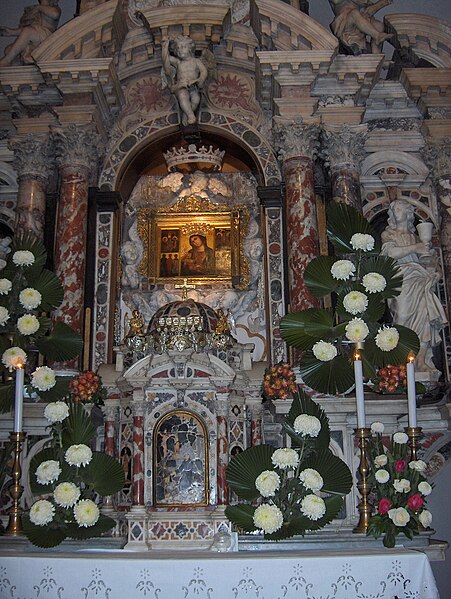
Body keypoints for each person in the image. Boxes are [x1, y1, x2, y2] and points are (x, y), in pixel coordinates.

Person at [381, 199, 448, 374]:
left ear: (409, 213)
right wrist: (416, 248)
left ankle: (421, 360)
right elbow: (390, 253)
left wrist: (436, 273)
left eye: (401, 208)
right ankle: (401, 360)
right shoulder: (389, 234)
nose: (397, 211)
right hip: (401, 279)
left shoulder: (418, 238)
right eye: (394, 208)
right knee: (402, 317)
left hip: (421, 280)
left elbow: (432, 263)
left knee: (425, 315)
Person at [162, 35, 208, 126]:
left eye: (183, 47)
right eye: (178, 48)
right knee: (183, 97)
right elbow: (166, 60)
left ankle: (186, 113)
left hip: (193, 86)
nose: (180, 50)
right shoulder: (178, 62)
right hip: (181, 86)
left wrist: (200, 80)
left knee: (196, 100)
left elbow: (204, 71)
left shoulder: (196, 61)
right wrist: (165, 46)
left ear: (190, 48)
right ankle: (191, 116)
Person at [0, 0, 61, 66]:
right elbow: (27, 30)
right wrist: (11, 32)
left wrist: (39, 8)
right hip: (35, 37)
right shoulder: (34, 10)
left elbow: (55, 14)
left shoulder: (54, 8)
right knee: (8, 49)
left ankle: (6, 60)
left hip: (47, 37)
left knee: (28, 32)